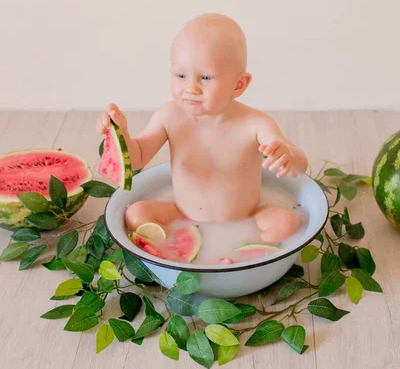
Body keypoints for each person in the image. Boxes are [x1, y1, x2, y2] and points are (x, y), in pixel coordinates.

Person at [96, 13, 308, 254]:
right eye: (180, 75)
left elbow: (301, 165)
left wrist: (288, 156)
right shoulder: (170, 116)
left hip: (249, 216)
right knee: (135, 215)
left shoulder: (255, 123)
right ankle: (174, 245)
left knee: (289, 222)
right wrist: (120, 133)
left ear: (239, 84)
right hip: (181, 213)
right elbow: (138, 157)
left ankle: (250, 251)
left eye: (206, 77)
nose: (191, 88)